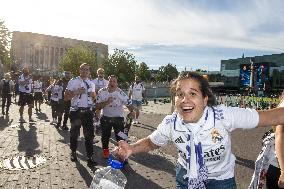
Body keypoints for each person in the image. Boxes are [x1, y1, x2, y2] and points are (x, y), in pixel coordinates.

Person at [113, 71, 284, 189]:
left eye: (193, 94)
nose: (185, 100)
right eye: (180, 94)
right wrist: (132, 148)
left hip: (221, 180)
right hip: (185, 177)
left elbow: (273, 117)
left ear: (205, 99)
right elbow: (152, 142)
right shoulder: (171, 122)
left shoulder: (223, 115)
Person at [64, 63, 97, 167]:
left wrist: (93, 96)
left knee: (89, 136)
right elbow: (66, 97)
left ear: (89, 71)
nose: (85, 71)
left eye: (87, 70)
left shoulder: (91, 83)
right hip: (76, 112)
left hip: (87, 112)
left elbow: (94, 98)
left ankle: (90, 158)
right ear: (79, 70)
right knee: (74, 134)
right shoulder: (73, 81)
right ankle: (73, 153)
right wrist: (76, 92)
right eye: (83, 69)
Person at [96, 75, 134, 159]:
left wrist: (132, 111)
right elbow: (97, 106)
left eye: (114, 81)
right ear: (107, 82)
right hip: (106, 118)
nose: (112, 83)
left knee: (120, 138)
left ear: (117, 83)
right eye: (110, 81)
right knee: (105, 137)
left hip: (118, 119)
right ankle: (105, 152)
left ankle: (122, 154)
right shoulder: (102, 91)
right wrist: (106, 102)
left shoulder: (120, 93)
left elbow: (129, 104)